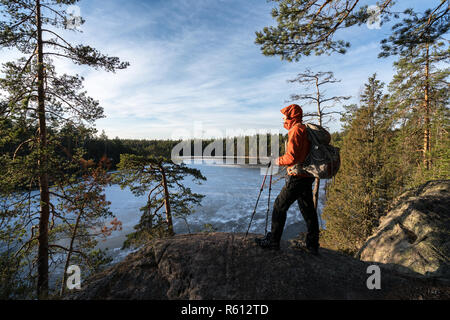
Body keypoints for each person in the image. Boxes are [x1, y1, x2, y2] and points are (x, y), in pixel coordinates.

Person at [255, 104, 319, 254]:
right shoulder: (302, 129)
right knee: (308, 210)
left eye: (284, 114)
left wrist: (276, 160)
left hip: (297, 176)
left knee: (279, 206)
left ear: (291, 115)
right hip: (306, 175)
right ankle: (312, 245)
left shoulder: (296, 130)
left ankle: (273, 242)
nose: (283, 117)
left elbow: (292, 157)